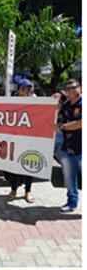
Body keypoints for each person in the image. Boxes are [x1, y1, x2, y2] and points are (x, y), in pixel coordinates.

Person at [52, 79, 82, 212]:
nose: (69, 91)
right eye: (67, 89)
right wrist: (52, 102)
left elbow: (80, 123)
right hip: (67, 147)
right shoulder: (66, 103)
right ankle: (72, 202)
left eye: (72, 88)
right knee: (69, 178)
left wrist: (61, 127)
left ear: (80, 88)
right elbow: (58, 113)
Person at [7, 79, 37, 203]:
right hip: (15, 139)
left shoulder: (37, 102)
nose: (26, 91)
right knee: (15, 167)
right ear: (18, 90)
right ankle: (14, 189)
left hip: (30, 139)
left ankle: (28, 191)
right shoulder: (12, 102)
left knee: (29, 165)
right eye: (23, 89)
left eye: (29, 89)